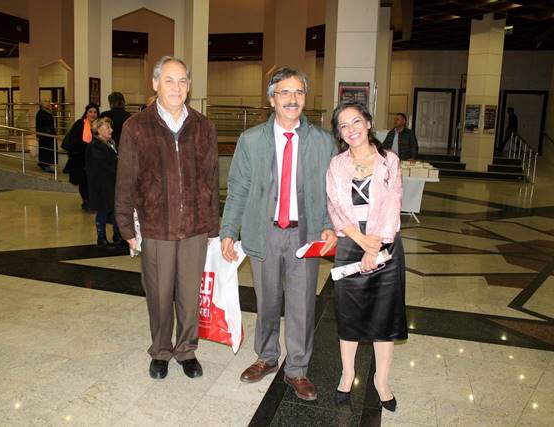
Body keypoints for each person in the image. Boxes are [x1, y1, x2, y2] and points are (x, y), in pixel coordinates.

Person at [220, 67, 337, 401]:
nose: (292, 99)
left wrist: (329, 225)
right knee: (267, 300)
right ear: (272, 99)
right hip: (264, 232)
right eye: (285, 92)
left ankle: (297, 369)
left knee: (302, 304)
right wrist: (228, 229)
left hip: (305, 235)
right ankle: (267, 357)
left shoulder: (322, 141)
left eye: (299, 92)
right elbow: (238, 187)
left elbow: (333, 191)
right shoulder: (251, 139)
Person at [115, 56, 219, 380]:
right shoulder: (136, 127)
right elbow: (125, 180)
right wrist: (125, 225)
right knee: (159, 295)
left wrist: (212, 226)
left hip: (194, 228)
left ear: (189, 86)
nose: (177, 87)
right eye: (169, 80)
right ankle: (160, 350)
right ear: (155, 83)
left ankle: (186, 350)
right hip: (155, 226)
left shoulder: (203, 127)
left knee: (189, 295)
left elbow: (211, 179)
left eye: (182, 81)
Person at [326, 102, 408, 412]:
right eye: (344, 125)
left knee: (384, 315)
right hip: (350, 242)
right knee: (349, 313)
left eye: (356, 121)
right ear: (339, 133)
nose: (351, 129)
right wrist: (361, 242)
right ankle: (347, 374)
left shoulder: (390, 161)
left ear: (369, 123)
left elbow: (393, 205)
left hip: (385, 242)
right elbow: (335, 207)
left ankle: (381, 380)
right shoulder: (336, 165)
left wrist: (375, 247)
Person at [85, 117, 122, 247]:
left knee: (116, 210)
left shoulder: (111, 143)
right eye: (108, 128)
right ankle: (101, 237)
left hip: (112, 183)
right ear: (98, 130)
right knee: (104, 210)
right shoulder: (94, 146)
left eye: (110, 127)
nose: (111, 130)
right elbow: (103, 165)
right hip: (102, 185)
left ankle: (117, 235)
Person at [62, 103, 99, 211]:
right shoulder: (80, 124)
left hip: (94, 160)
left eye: (95, 112)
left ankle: (91, 201)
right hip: (81, 159)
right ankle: (86, 201)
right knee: (84, 181)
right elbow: (74, 141)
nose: (92, 114)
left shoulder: (98, 126)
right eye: (90, 111)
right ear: (86, 113)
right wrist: (88, 145)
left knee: (92, 182)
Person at [35, 101, 57, 172]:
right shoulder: (40, 113)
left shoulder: (49, 112)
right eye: (46, 103)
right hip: (44, 135)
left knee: (50, 150)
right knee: (45, 150)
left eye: (48, 102)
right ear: (42, 105)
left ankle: (47, 165)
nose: (48, 104)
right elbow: (38, 125)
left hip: (50, 134)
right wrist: (38, 135)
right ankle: (44, 165)